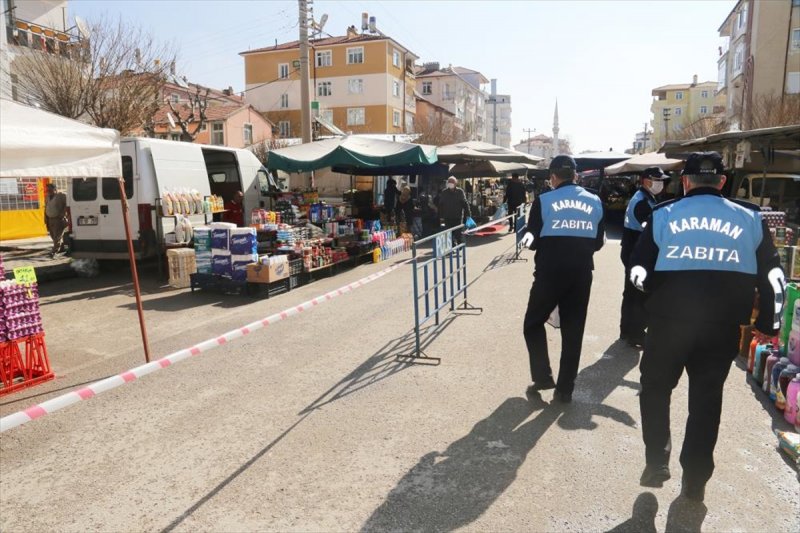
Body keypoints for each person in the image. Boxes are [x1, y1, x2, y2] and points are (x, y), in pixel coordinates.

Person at [629, 152, 784, 501]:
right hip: (721, 328)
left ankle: (657, 460)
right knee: (706, 399)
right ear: (723, 182)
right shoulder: (751, 219)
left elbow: (638, 271)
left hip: (668, 324)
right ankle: (696, 478)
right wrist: (769, 324)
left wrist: (647, 303)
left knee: (655, 389)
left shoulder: (663, 215)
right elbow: (774, 277)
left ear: (685, 182)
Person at [519, 155, 605, 403]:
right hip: (580, 274)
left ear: (553, 177)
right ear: (576, 176)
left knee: (532, 323)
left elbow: (532, 241)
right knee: (573, 331)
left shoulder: (544, 200)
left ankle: (543, 377)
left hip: (549, 274)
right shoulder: (595, 200)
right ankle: (565, 389)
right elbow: (598, 242)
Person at [619, 167, 670, 347]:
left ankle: (627, 330)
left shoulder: (646, 197)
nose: (661, 184)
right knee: (639, 295)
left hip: (633, 251)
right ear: (647, 181)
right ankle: (636, 334)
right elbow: (650, 229)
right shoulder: (641, 201)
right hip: (637, 253)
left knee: (631, 293)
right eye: (658, 180)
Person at [436, 177, 470, 244]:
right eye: (449, 182)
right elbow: (440, 205)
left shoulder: (460, 192)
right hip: (447, 218)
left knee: (458, 234)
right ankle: (452, 245)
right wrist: (441, 217)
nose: (450, 183)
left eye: (452, 182)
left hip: (457, 217)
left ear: (455, 183)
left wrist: (468, 214)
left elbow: (465, 204)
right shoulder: (444, 192)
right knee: (448, 234)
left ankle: (459, 245)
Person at [44, 182, 68, 257]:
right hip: (49, 219)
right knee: (53, 235)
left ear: (55, 189)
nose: (48, 191)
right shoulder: (47, 197)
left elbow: (67, 204)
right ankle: (62, 248)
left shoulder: (61, 195)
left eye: (50, 190)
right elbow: (46, 207)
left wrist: (63, 214)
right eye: (47, 190)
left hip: (58, 219)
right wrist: (45, 218)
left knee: (57, 236)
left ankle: (54, 252)